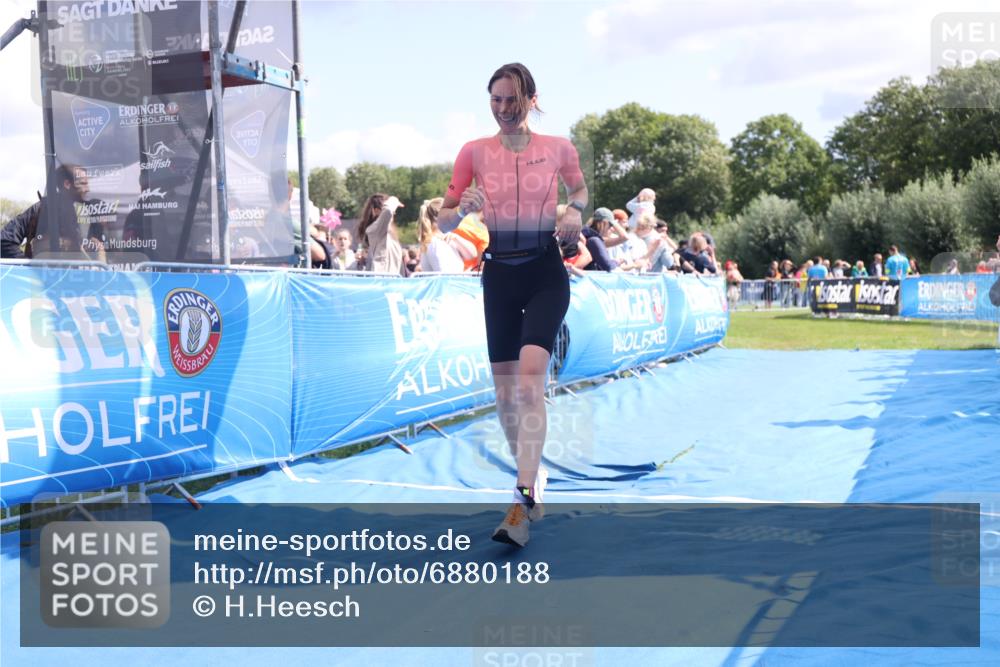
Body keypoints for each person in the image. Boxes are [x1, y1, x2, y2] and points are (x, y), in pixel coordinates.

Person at [438, 63, 588, 547]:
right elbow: (442, 220)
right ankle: (534, 477)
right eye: (495, 100)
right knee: (507, 397)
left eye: (511, 100)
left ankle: (521, 501)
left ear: (531, 99)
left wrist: (573, 210)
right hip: (498, 275)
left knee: (528, 381)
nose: (503, 109)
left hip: (545, 273)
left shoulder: (558, 148)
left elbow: (579, 190)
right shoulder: (473, 153)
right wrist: (460, 210)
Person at [2, 164, 106, 261]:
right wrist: (29, 268)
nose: (88, 189)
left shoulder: (90, 212)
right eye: (83, 183)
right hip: (46, 279)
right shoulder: (42, 209)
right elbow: (4, 241)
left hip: (79, 279)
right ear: (67, 184)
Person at [356, 193, 405, 275]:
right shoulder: (375, 229)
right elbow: (388, 211)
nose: (394, 214)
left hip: (391, 280)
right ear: (376, 211)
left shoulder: (388, 234)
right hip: (382, 281)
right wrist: (393, 199)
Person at [417, 197, 464, 273]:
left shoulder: (442, 239)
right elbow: (445, 274)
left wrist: (456, 238)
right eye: (452, 213)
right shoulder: (435, 242)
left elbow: (472, 254)